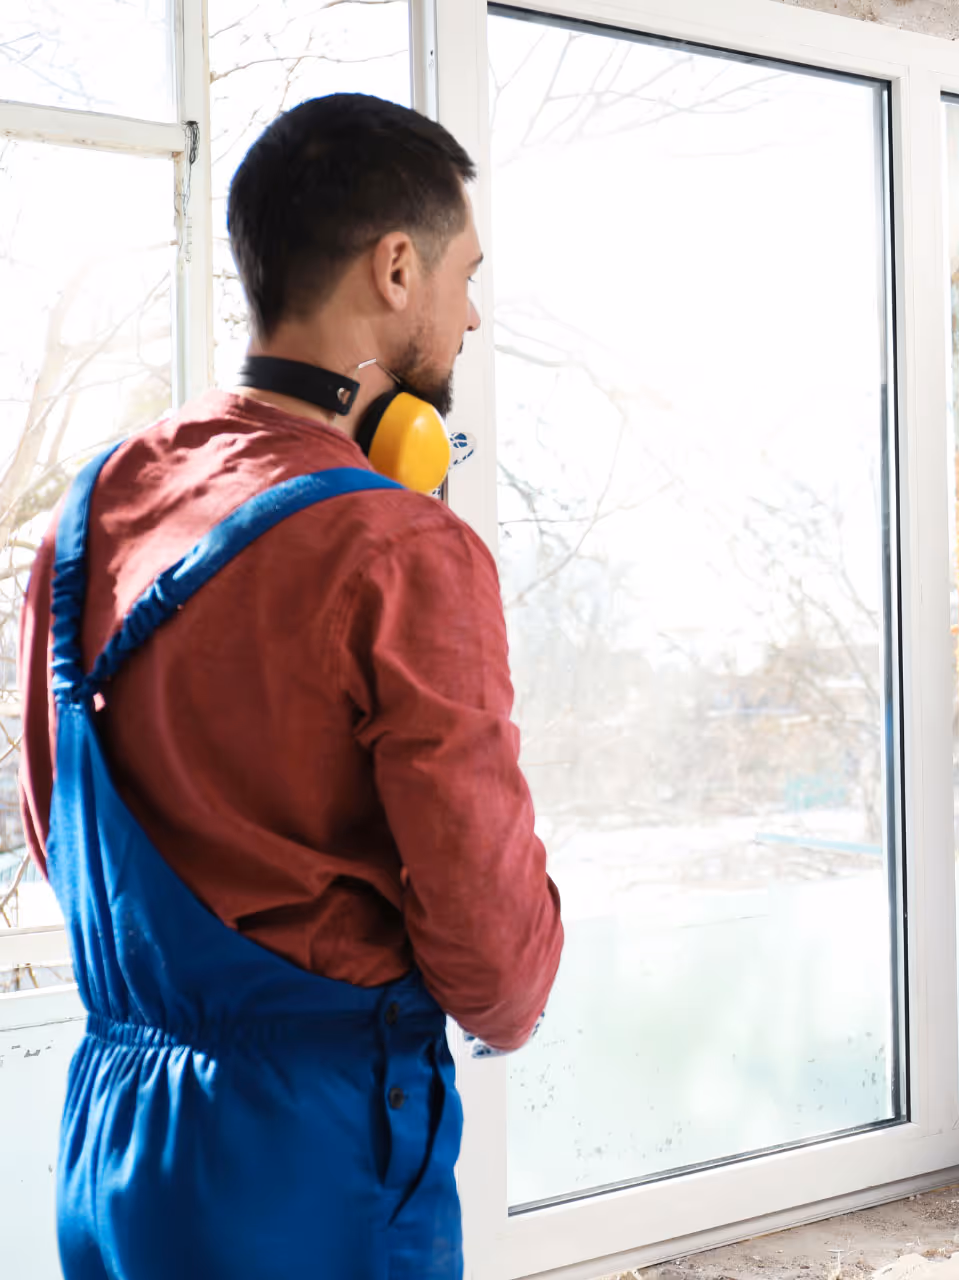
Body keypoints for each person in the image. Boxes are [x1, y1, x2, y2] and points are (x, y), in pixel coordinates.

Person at [18, 93, 563, 1279]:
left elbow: (63, 834)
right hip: (313, 1165)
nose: (472, 316)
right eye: (466, 275)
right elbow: (495, 965)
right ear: (397, 264)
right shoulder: (403, 547)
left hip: (114, 1148)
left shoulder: (92, 507)